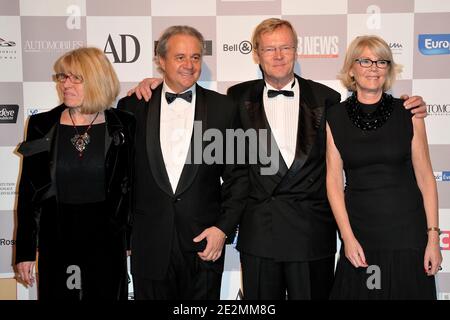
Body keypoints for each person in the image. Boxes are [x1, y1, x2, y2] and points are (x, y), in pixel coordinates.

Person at [128, 18, 427, 299]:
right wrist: (151, 84)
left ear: (297, 51)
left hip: (312, 235)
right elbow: (234, 172)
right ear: (256, 54)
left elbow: (364, 129)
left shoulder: (327, 100)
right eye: (270, 48)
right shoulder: (235, 99)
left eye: (286, 47)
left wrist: (406, 107)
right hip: (260, 235)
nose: (279, 55)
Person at [117, 26, 247, 300]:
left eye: (196, 57)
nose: (189, 65)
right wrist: (126, 234)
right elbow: (121, 179)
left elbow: (239, 177)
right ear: (161, 61)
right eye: (180, 57)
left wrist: (223, 229)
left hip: (203, 244)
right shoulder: (132, 107)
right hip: (149, 244)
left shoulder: (224, 109)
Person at [326, 35, 442, 299]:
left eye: (381, 62)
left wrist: (433, 239)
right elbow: (333, 181)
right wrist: (347, 237)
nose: (373, 68)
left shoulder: (409, 112)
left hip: (407, 236)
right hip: (361, 237)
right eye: (365, 61)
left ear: (388, 69)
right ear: (352, 68)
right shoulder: (335, 117)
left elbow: (425, 178)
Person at [15, 47, 135, 300]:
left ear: (96, 80)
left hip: (107, 242)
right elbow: (29, 192)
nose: (65, 85)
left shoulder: (124, 124)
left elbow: (133, 186)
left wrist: (131, 240)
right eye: (62, 77)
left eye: (75, 78)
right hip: (56, 240)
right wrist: (25, 251)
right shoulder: (42, 125)